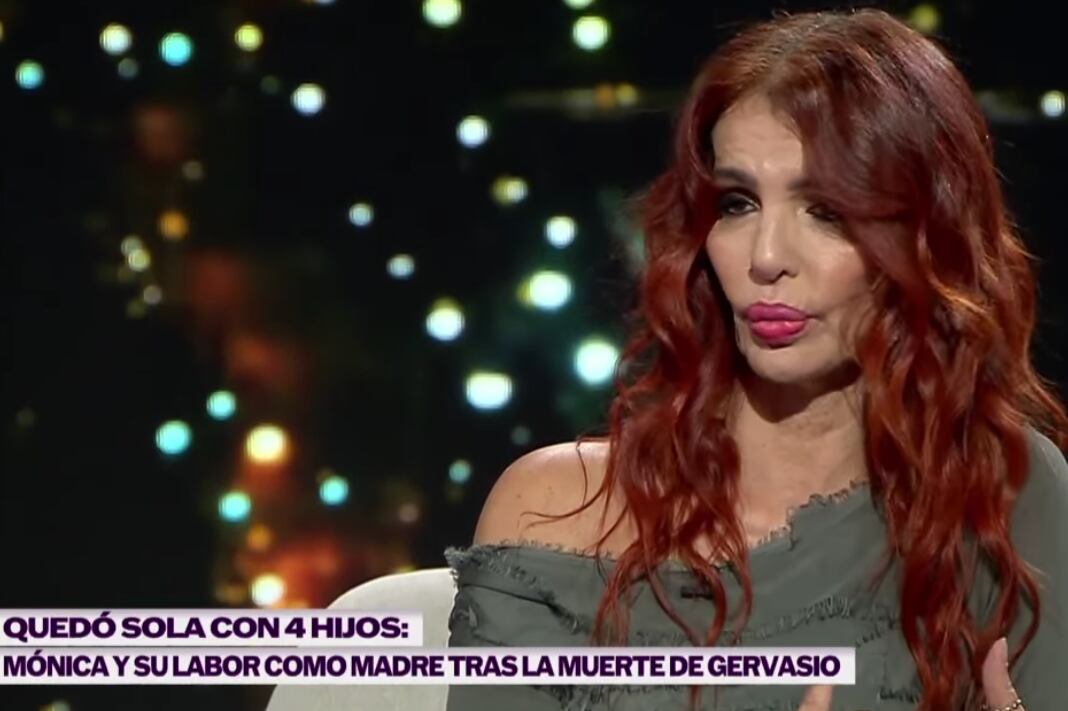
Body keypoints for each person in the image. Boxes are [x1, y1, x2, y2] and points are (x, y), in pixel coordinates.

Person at [443, 7, 1068, 711]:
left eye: (826, 210)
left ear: (927, 236)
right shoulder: (552, 513)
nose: (766, 257)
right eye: (737, 203)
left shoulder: (1003, 488)